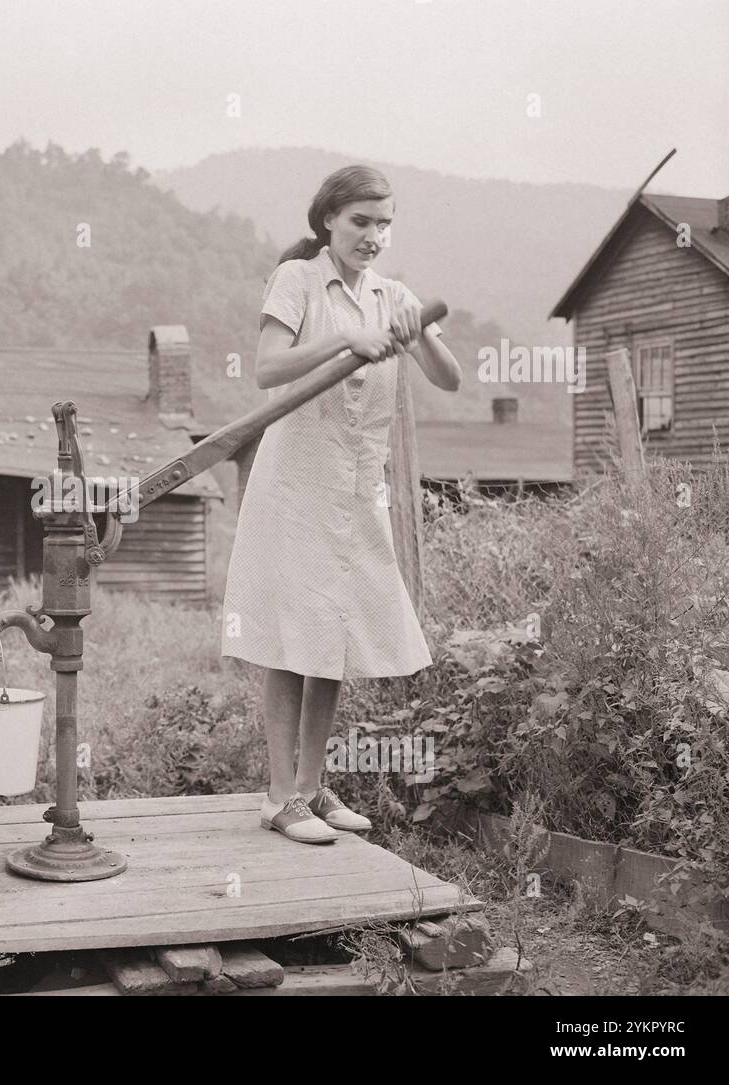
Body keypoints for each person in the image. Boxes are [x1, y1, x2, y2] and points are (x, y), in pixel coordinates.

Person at [221, 165, 462, 844]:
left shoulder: (394, 296)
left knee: (334, 633)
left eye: (384, 223)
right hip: (295, 485)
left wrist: (417, 334)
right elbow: (269, 367)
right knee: (287, 635)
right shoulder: (297, 280)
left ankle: (312, 788)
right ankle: (277, 798)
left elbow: (451, 379)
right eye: (360, 221)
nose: (373, 235)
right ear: (328, 219)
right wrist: (345, 340)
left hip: (357, 491)